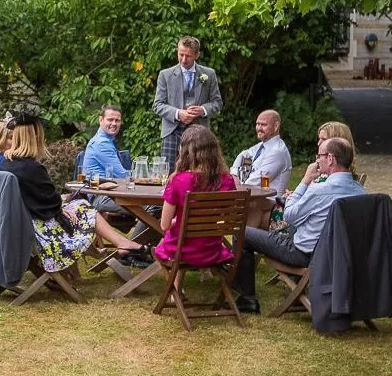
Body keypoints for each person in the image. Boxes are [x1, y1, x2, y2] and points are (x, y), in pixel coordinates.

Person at [0, 112, 149, 272]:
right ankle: (122, 243)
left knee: (78, 205)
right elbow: (49, 201)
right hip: (45, 235)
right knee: (84, 207)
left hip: (21, 227)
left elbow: (39, 199)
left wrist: (60, 205)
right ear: (33, 138)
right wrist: (60, 207)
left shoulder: (6, 164)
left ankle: (121, 244)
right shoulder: (31, 168)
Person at [231, 136, 366, 313]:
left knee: (242, 232)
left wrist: (305, 180)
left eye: (320, 156)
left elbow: (289, 216)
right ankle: (293, 289)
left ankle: (247, 298)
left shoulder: (320, 191)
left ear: (330, 159)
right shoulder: (361, 192)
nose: (317, 160)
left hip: (304, 255)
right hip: (340, 255)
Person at [154, 126, 238, 268]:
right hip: (212, 250)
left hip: (181, 251)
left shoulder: (178, 180)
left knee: (166, 241)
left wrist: (178, 222)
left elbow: (164, 225)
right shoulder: (227, 180)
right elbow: (228, 219)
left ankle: (175, 289)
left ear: (185, 151)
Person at [152, 36, 223, 164]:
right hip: (172, 132)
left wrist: (202, 110)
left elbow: (217, 103)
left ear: (197, 55)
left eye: (188, 56)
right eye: (181, 54)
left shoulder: (209, 74)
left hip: (200, 133)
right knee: (170, 174)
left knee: (201, 171)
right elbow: (157, 105)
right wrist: (178, 113)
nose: (183, 60)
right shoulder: (165, 75)